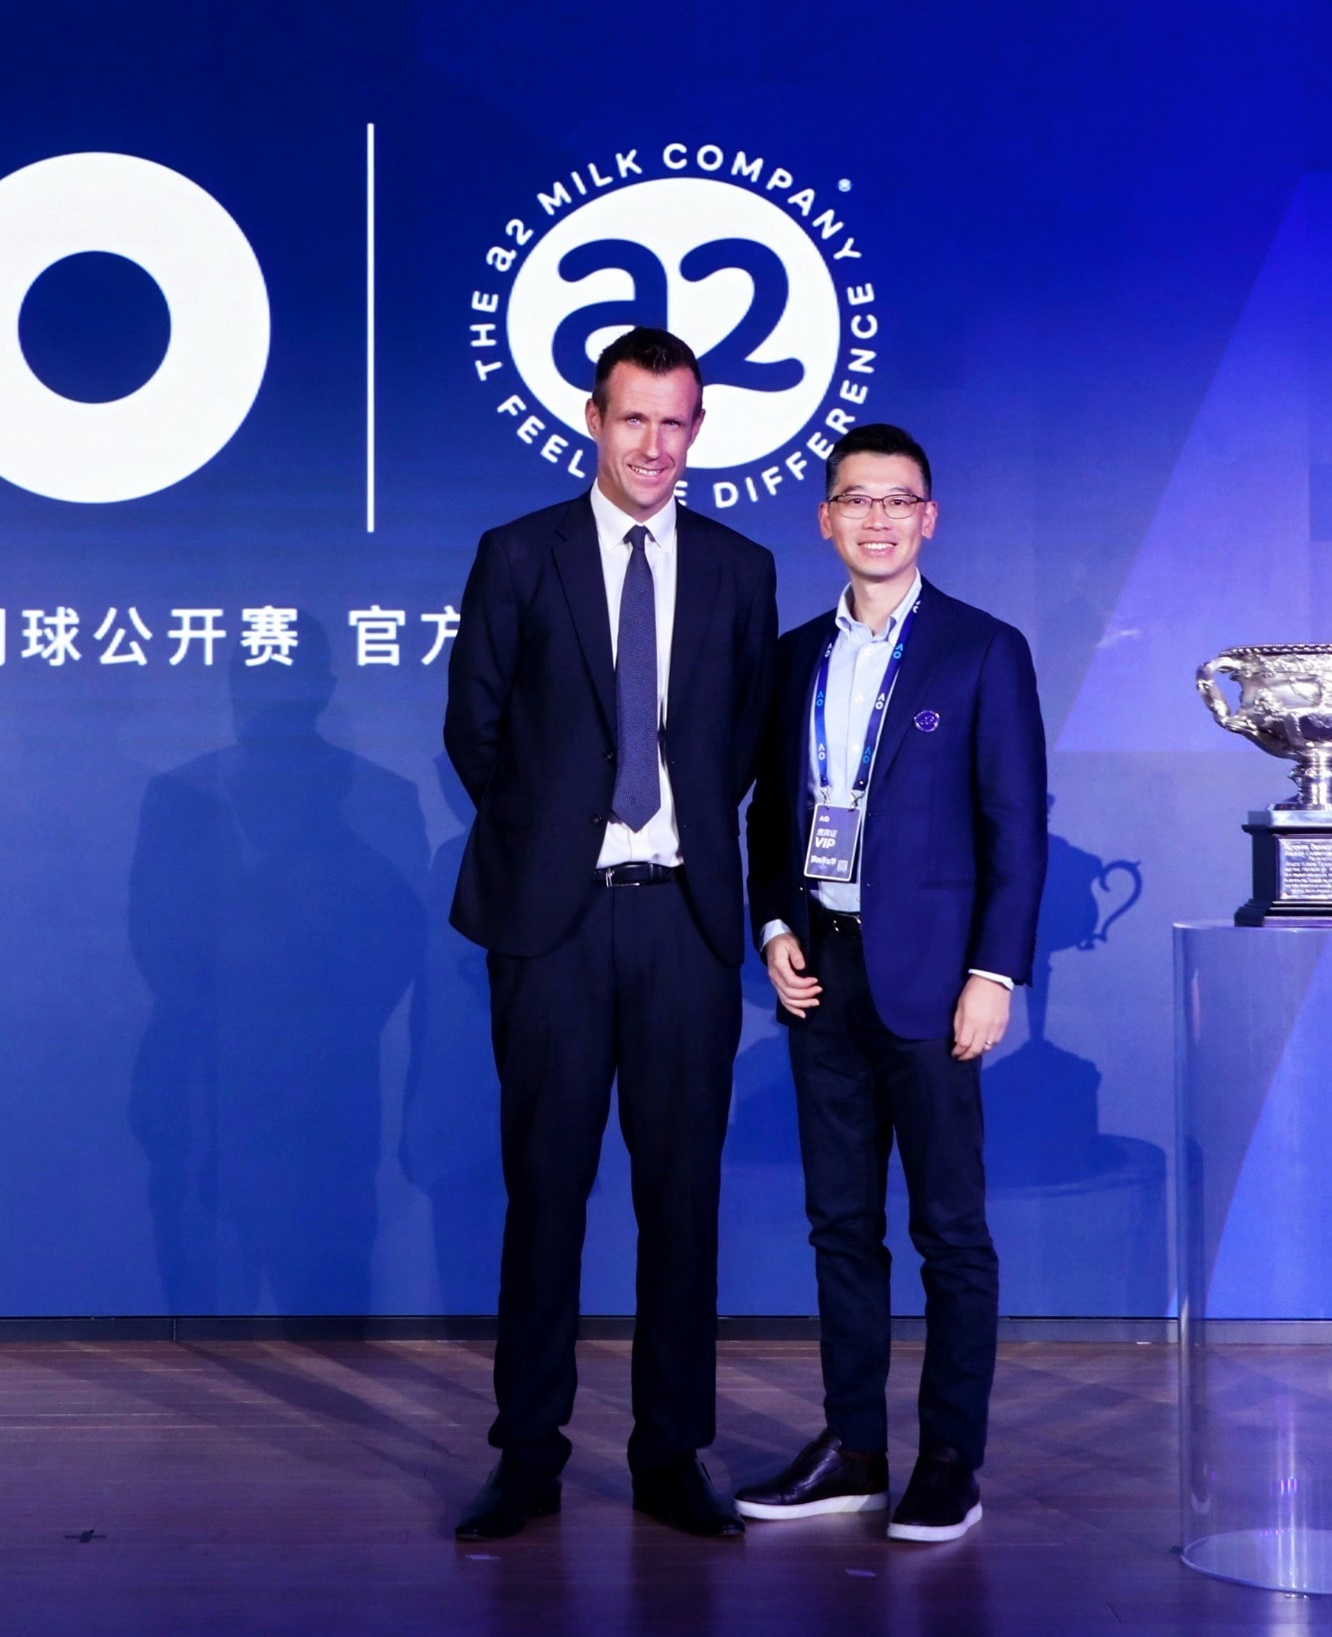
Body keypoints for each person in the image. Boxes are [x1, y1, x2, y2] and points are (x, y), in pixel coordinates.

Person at [444, 327, 780, 1541]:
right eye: (632, 418)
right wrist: (556, 843)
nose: (652, 444)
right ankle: (527, 1454)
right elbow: (473, 730)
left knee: (681, 1198)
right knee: (545, 1192)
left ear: (697, 430)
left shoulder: (739, 568)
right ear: (593, 420)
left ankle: (669, 1452)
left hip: (683, 921)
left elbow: (742, 742)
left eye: (673, 422)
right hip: (555, 923)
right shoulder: (517, 552)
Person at [735, 423, 1048, 1543]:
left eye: (897, 499)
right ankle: (853, 1449)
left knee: (949, 1231)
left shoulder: (981, 649)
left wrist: (992, 973)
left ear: (929, 517)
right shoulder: (789, 658)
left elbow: (1016, 827)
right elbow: (769, 814)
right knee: (839, 1225)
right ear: (824, 518)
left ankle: (949, 1459)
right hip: (821, 974)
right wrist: (774, 924)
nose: (876, 518)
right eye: (855, 499)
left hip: (933, 982)